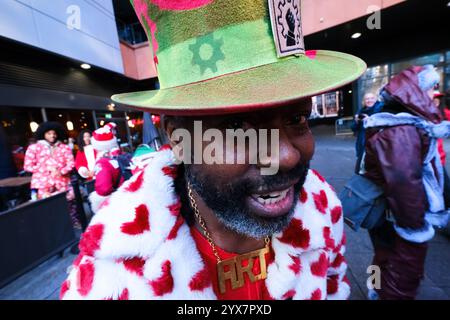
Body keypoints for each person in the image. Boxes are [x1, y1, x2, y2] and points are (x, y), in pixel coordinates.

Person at [61, 0, 365, 300]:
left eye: (297, 118)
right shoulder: (110, 275)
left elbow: (333, 286)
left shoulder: (320, 208)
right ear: (178, 139)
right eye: (236, 127)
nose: (286, 156)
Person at [363, 65, 449, 300]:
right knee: (402, 268)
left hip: (389, 210)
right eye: (432, 88)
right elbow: (403, 183)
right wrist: (415, 228)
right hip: (399, 215)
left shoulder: (399, 125)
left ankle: (376, 290)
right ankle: (382, 293)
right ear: (415, 91)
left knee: (383, 255)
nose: (435, 94)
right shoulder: (401, 129)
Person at [24, 122, 75, 200]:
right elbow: (27, 166)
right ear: (43, 134)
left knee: (68, 207)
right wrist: (46, 168)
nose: (52, 136)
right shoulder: (33, 148)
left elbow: (71, 163)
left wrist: (61, 171)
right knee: (48, 209)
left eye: (54, 133)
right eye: (49, 133)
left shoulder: (64, 147)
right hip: (43, 186)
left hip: (63, 183)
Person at [88, 123, 126, 212]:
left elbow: (104, 189)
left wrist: (96, 200)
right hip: (126, 195)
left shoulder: (102, 162)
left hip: (116, 204)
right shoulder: (117, 155)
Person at [351, 92, 383, 167]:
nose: (369, 100)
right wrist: (356, 121)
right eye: (367, 99)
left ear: (376, 99)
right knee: (362, 166)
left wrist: (369, 120)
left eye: (372, 98)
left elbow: (382, 125)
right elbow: (353, 128)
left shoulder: (380, 109)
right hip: (362, 143)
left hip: (375, 142)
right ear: (364, 101)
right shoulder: (361, 111)